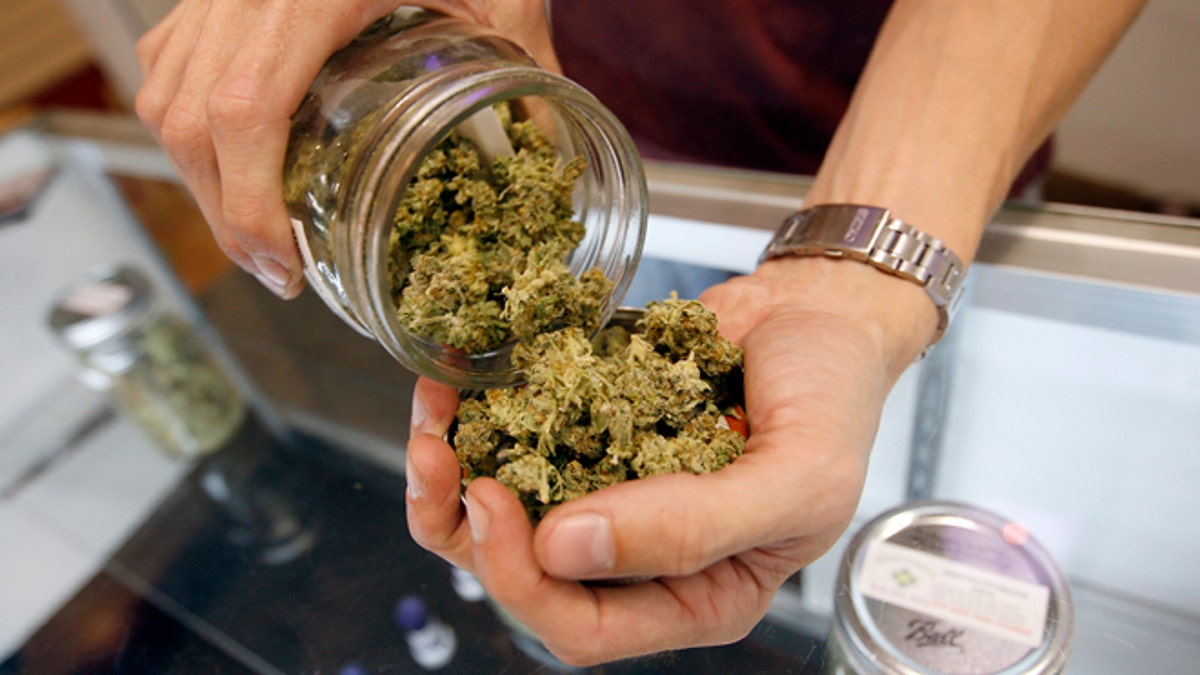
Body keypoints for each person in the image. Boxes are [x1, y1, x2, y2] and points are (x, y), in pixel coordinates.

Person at [136, 0, 1146, 666]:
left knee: (907, 431)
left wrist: (855, 289)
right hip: (573, 135)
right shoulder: (561, 251)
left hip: (929, 152)